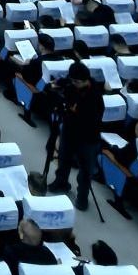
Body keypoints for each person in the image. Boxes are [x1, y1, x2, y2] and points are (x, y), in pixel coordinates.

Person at [47, 61, 105, 208]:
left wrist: (73, 111)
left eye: (76, 82)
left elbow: (91, 121)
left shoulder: (95, 97)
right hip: (69, 129)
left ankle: (82, 197)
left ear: (86, 80)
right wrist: (55, 85)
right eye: (72, 80)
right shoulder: (71, 84)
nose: (73, 84)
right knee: (63, 158)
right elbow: (59, 83)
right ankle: (61, 182)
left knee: (85, 170)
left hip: (88, 137)